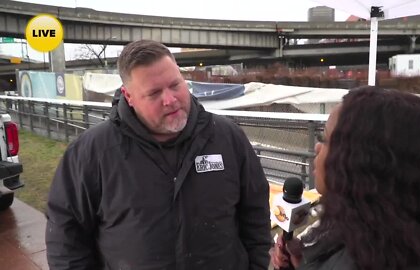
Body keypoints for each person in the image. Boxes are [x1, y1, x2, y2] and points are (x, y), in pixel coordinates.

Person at [45, 40, 271, 270]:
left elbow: (256, 216)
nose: (170, 100)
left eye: (175, 85)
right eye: (154, 93)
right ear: (129, 96)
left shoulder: (227, 137)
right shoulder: (92, 153)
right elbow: (66, 239)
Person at [271, 86, 420, 270]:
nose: (317, 147)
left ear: (362, 164)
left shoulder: (355, 259)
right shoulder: (403, 244)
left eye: (325, 139)